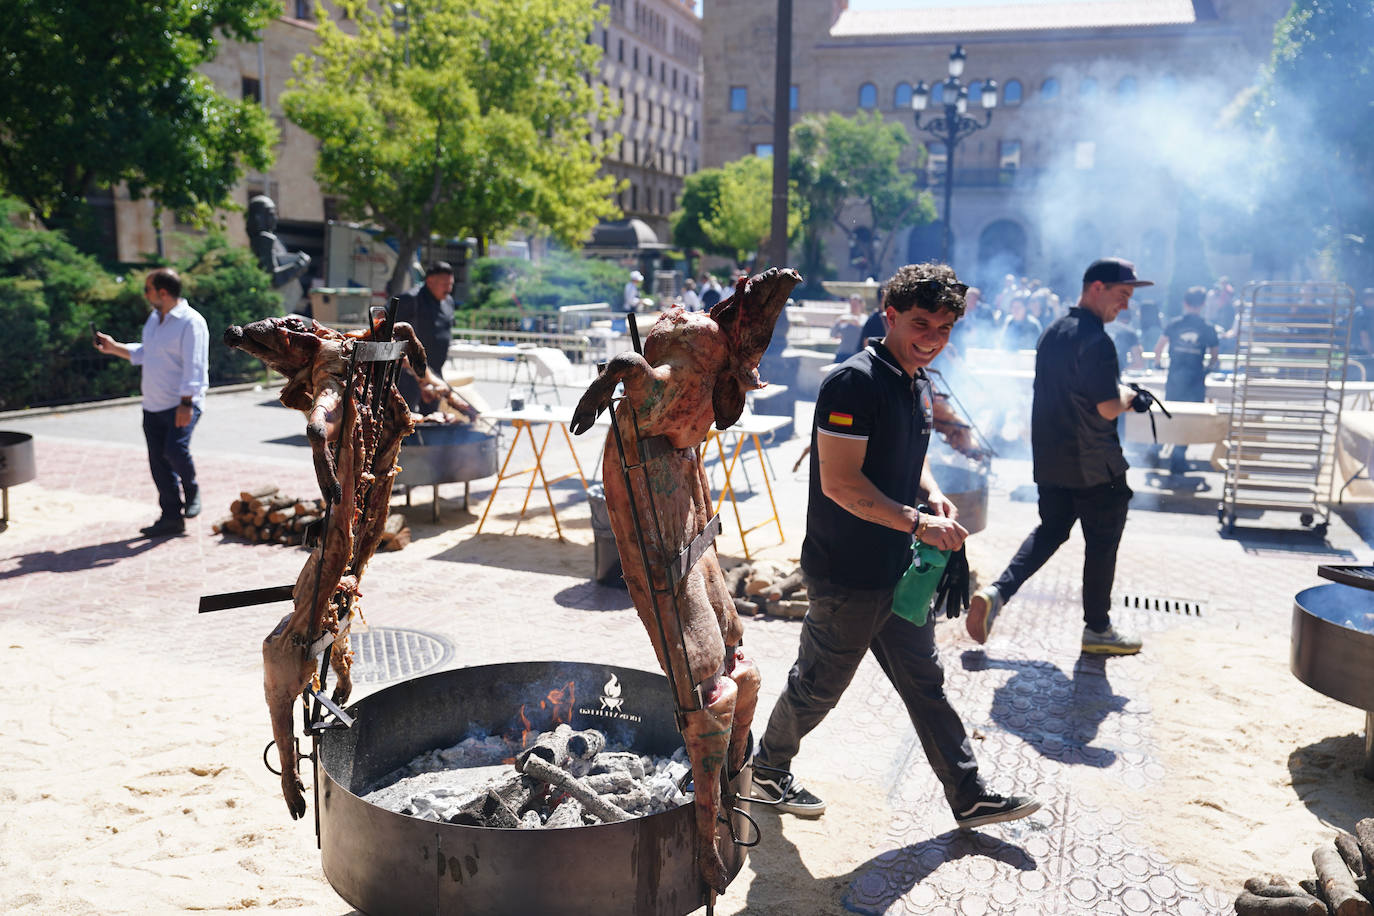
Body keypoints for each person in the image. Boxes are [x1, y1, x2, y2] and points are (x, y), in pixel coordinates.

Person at [750, 262, 1042, 830]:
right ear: (890, 316)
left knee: (926, 684)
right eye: (920, 323)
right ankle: (766, 770)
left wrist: (931, 497)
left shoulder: (917, 382)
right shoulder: (853, 382)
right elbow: (840, 482)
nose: (932, 339)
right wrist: (916, 523)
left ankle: (969, 793)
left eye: (944, 329)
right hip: (848, 573)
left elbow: (909, 459)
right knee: (818, 687)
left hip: (899, 572)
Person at [966, 257, 1151, 656]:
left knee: (1050, 531)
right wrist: (1132, 397)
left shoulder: (1052, 332)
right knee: (1102, 544)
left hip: (1051, 461)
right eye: (1122, 295)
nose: (1126, 305)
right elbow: (1104, 406)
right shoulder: (1097, 340)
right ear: (1096, 287)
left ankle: (997, 593)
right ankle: (1098, 629)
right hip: (1096, 466)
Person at [93, 268, 209, 538]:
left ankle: (192, 490)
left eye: (147, 289)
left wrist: (186, 402)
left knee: (174, 451)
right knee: (158, 462)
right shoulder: (155, 319)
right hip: (153, 404)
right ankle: (171, 517)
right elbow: (147, 352)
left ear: (163, 292)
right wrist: (114, 347)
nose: (145, 295)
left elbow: (196, 365)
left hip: (181, 402)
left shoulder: (191, 322)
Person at [1154, 286, 1219, 477]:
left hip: (1174, 378)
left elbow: (1158, 349)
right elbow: (1215, 356)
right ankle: (1178, 459)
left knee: (1171, 415)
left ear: (1185, 303)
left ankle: (1161, 454)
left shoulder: (1174, 324)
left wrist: (1159, 366)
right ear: (1203, 305)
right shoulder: (1207, 327)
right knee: (1189, 419)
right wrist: (1207, 369)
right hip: (1195, 380)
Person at [393, 261, 456, 413]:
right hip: (408, 375)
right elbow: (390, 330)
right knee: (404, 418)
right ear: (429, 281)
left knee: (432, 417)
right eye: (444, 284)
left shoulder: (448, 302)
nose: (448, 289)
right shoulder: (410, 299)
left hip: (435, 373)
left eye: (451, 284)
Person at [829, 295, 867, 362]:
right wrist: (837, 323)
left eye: (855, 304)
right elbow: (832, 334)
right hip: (842, 354)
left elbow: (865, 335)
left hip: (856, 354)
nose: (853, 307)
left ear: (861, 305)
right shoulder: (844, 318)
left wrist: (857, 324)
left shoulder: (865, 319)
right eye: (851, 304)